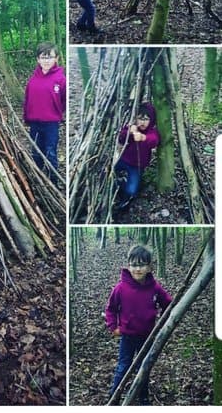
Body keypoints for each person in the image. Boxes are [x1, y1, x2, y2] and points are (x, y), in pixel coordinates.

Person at [105, 245, 172, 405]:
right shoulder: (121, 288)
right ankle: (114, 397)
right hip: (127, 336)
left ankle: (143, 397)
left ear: (149, 267)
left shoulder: (154, 287)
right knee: (123, 366)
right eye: (134, 265)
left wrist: (164, 322)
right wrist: (113, 327)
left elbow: (168, 303)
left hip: (147, 336)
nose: (138, 269)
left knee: (144, 367)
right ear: (129, 266)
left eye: (142, 265)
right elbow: (111, 309)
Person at [23, 43, 66, 180]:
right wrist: (27, 118)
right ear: (38, 59)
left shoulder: (60, 80)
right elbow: (28, 100)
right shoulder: (33, 80)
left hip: (51, 124)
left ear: (56, 59)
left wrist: (56, 113)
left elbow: (64, 100)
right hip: (35, 123)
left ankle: (53, 180)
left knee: (50, 152)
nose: (46, 60)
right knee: (36, 152)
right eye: (43, 57)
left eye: (50, 57)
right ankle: (38, 179)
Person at [114, 102, 160, 209]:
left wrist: (143, 138)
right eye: (140, 118)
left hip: (137, 166)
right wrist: (129, 132)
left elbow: (154, 141)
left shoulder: (151, 132)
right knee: (110, 171)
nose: (143, 122)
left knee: (131, 191)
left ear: (151, 120)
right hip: (124, 160)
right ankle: (119, 184)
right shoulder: (131, 128)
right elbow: (121, 138)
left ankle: (124, 202)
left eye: (146, 119)